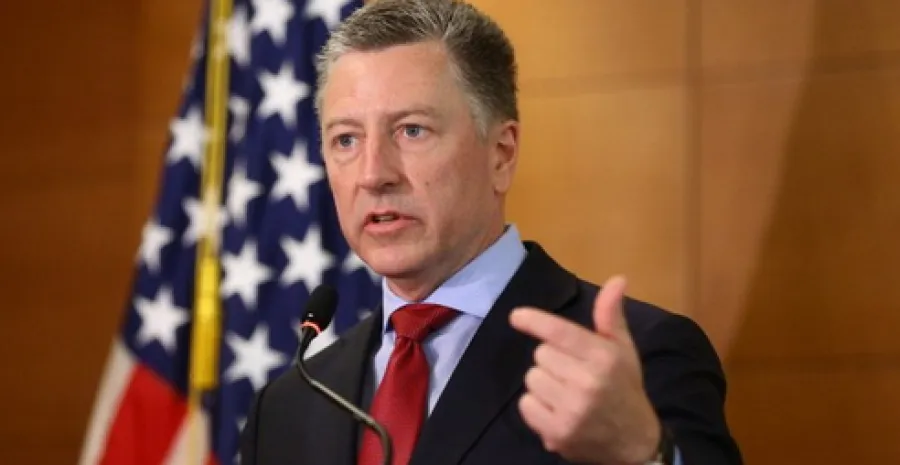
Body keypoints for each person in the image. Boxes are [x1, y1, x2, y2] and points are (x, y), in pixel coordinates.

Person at [240, 0, 743, 464]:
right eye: (346, 139)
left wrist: (641, 453)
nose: (373, 174)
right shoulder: (288, 406)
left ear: (501, 154)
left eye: (411, 130)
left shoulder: (633, 361)